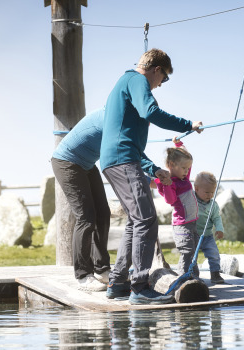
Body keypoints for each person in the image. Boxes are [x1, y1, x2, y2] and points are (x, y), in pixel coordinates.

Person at [100, 48, 202, 305]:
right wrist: (187, 125)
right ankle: (140, 287)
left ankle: (118, 282)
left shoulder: (123, 83)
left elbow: (126, 138)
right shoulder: (137, 80)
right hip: (123, 160)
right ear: (157, 69)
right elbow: (151, 112)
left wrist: (153, 169)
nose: (160, 84)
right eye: (163, 78)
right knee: (146, 220)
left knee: (136, 221)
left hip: (120, 159)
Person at [51, 107, 111, 292]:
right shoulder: (114, 118)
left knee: (103, 214)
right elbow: (123, 153)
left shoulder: (123, 117)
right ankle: (83, 275)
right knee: (86, 217)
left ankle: (102, 269)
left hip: (86, 164)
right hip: (67, 162)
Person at [155, 145, 199, 278]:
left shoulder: (184, 179)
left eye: (188, 168)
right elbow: (170, 200)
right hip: (182, 224)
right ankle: (184, 276)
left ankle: (193, 275)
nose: (187, 171)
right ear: (171, 165)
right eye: (184, 168)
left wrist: (179, 145)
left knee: (194, 251)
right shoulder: (170, 183)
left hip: (192, 222)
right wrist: (167, 185)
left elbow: (187, 162)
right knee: (187, 251)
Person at [193, 171, 225, 284]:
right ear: (196, 189)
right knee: (192, 256)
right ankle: (193, 274)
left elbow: (216, 218)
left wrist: (219, 229)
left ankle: (215, 274)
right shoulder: (191, 199)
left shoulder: (213, 205)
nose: (210, 195)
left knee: (214, 254)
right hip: (193, 235)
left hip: (207, 236)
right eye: (207, 192)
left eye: (212, 192)